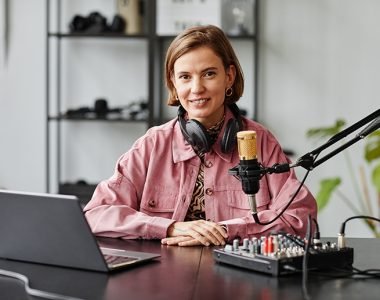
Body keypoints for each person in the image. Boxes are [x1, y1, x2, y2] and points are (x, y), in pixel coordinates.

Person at [84, 25, 317, 247]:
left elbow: (300, 218)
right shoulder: (152, 144)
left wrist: (226, 230)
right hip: (162, 281)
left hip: (237, 281)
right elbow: (96, 214)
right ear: (174, 83)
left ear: (229, 76)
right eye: (185, 77)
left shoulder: (261, 141)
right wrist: (170, 227)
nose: (196, 88)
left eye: (208, 74)